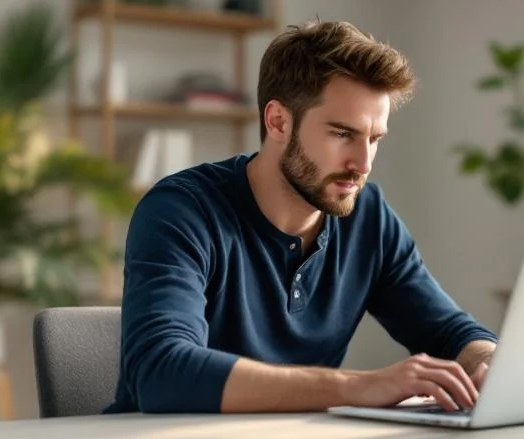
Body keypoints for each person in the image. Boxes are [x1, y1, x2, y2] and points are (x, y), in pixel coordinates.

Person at [103, 19, 498, 416]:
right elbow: (161, 372)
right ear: (278, 121)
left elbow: (448, 331)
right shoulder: (181, 211)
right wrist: (362, 386)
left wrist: (489, 362)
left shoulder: (369, 218)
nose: (362, 164)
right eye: (343, 134)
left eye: (374, 138)